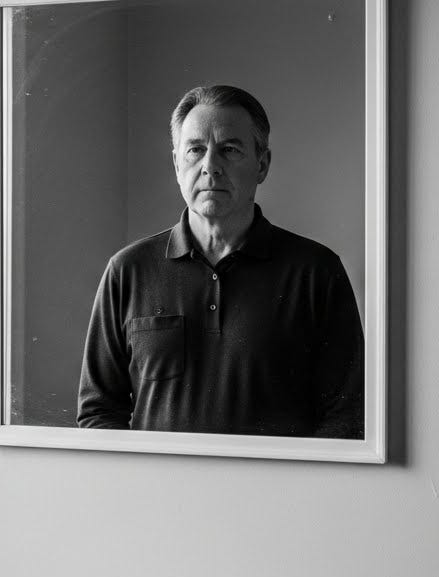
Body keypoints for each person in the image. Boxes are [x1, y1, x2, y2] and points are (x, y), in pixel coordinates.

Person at [76, 85, 363, 438]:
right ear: (176, 164)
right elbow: (98, 413)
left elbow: (347, 414)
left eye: (229, 150)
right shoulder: (128, 271)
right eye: (195, 150)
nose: (210, 166)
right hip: (157, 492)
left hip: (279, 493)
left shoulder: (316, 272)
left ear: (262, 164)